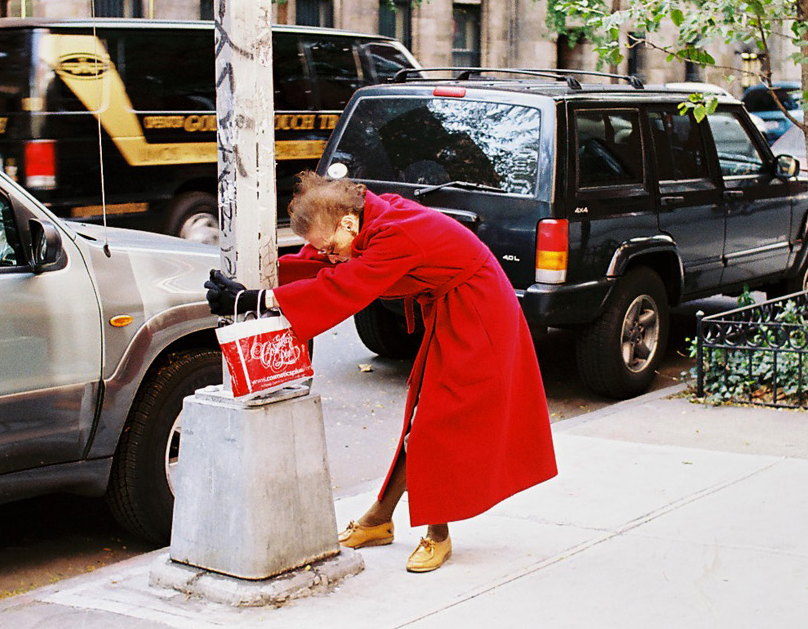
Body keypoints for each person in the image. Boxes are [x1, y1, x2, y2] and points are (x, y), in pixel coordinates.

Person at [205, 171, 557, 573]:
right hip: (455, 307)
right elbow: (316, 262)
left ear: (349, 224)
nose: (331, 256)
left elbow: (346, 284)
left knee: (432, 424)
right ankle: (379, 520)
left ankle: (436, 533)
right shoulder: (360, 218)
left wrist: (259, 297)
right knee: (420, 420)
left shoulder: (393, 234)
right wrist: (249, 284)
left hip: (479, 312)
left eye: (334, 247)